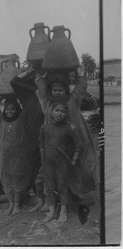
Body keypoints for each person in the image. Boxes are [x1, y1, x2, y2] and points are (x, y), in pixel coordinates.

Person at [35, 71, 98, 200]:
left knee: (78, 168)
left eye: (60, 90)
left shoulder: (72, 103)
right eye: (54, 90)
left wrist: (77, 72)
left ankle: (76, 195)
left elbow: (80, 88)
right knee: (57, 172)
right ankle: (57, 200)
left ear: (66, 91)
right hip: (56, 144)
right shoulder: (48, 105)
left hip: (73, 142)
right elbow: (42, 90)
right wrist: (42, 78)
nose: (57, 92)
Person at [0, 97, 36, 215]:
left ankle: (17, 205)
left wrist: (18, 94)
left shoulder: (21, 120)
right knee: (6, 181)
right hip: (4, 158)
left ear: (17, 110)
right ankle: (10, 204)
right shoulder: (1, 121)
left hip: (18, 158)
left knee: (17, 181)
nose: (9, 111)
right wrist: (2, 96)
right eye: (7, 109)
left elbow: (28, 106)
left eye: (13, 109)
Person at [39, 102, 83, 223]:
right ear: (51, 112)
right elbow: (41, 145)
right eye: (57, 110)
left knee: (62, 186)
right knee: (49, 187)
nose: (59, 113)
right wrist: (43, 160)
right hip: (47, 163)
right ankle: (52, 212)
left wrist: (73, 160)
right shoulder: (44, 128)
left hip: (62, 163)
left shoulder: (69, 128)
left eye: (63, 111)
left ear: (66, 114)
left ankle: (63, 211)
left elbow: (79, 144)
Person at [9, 68, 45, 212]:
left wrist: (43, 75)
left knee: (46, 168)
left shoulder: (46, 94)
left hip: (45, 136)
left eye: (40, 78)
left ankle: (48, 200)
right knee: (33, 169)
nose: (38, 79)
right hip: (29, 138)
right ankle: (40, 199)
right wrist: (31, 69)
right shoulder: (28, 95)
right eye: (35, 78)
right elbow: (14, 81)